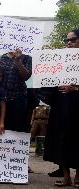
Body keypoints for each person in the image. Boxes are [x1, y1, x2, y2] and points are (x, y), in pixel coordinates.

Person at [40, 29, 79, 187]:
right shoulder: (60, 59)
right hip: (60, 107)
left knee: (76, 140)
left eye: (73, 39)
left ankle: (78, 177)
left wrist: (74, 88)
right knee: (60, 140)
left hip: (77, 107)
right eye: (67, 40)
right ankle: (66, 176)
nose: (69, 42)